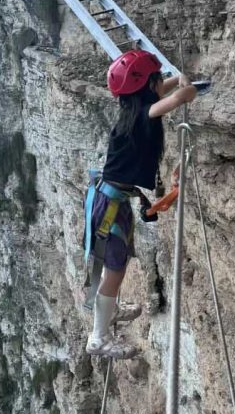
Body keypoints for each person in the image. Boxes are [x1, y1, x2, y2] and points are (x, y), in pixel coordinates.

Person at [85, 49, 198, 359]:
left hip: (109, 200)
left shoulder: (133, 110)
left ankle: (109, 311)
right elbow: (176, 99)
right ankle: (98, 337)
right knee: (115, 271)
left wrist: (177, 78)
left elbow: (163, 92)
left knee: (113, 267)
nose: (160, 83)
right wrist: (187, 88)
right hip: (110, 206)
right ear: (146, 86)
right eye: (156, 80)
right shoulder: (143, 115)